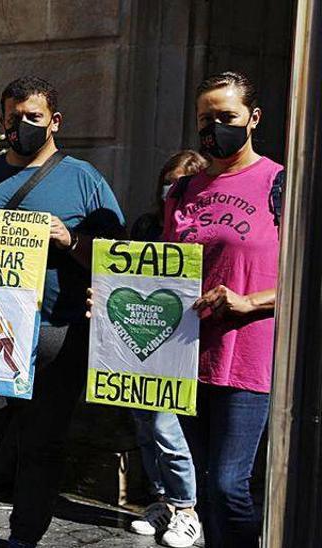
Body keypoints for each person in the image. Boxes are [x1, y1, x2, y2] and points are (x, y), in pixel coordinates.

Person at [0, 76, 125, 548]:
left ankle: (24, 539)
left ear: (55, 121)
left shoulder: (84, 179)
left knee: (43, 444)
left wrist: (70, 240)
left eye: (32, 117)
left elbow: (118, 256)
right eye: (13, 116)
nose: (21, 125)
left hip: (58, 330)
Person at [166, 72, 283, 548]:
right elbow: (164, 270)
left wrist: (251, 300)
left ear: (253, 119)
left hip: (248, 359)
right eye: (205, 119)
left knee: (229, 484)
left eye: (226, 117)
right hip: (186, 358)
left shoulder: (280, 183)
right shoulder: (182, 191)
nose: (215, 127)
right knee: (201, 486)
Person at [125, 151, 207, 547]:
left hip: (180, 344)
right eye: (168, 181)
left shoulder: (200, 231)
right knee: (144, 424)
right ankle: (163, 503)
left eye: (180, 182)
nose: (171, 189)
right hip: (141, 341)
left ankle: (187, 508)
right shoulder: (145, 225)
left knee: (165, 425)